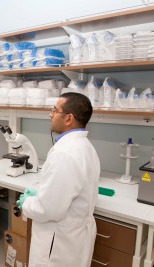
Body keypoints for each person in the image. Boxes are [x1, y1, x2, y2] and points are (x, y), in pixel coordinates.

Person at [17, 92, 100, 267]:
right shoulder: (84, 146)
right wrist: (40, 192)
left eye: (55, 110)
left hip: (58, 241)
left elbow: (49, 210)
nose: (50, 114)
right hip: (74, 236)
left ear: (68, 118)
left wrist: (27, 203)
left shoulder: (65, 153)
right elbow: (65, 189)